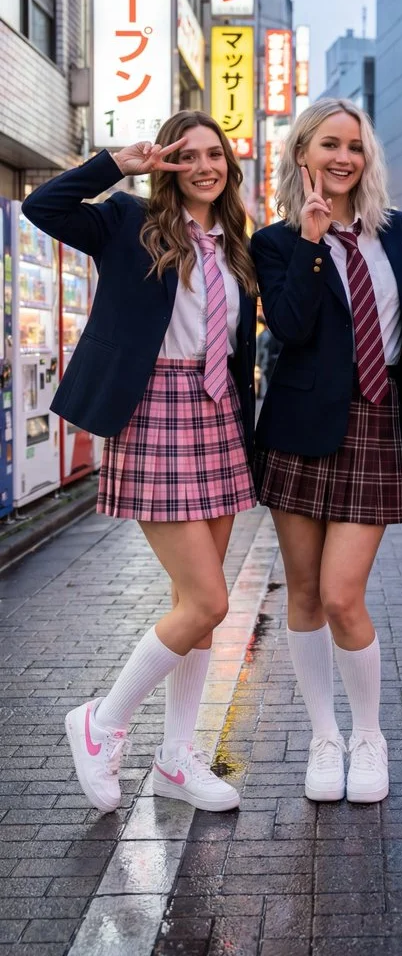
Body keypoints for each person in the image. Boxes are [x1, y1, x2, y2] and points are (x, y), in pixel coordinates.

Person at [22, 111, 258, 814]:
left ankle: (176, 759)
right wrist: (116, 164)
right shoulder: (127, 223)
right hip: (153, 411)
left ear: (229, 165)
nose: (205, 167)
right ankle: (101, 724)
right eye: (188, 156)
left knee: (200, 609)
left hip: (218, 416)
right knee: (208, 599)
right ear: (168, 164)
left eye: (215, 154)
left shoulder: (234, 244)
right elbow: (44, 206)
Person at [250, 99, 402, 804]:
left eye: (354, 145)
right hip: (298, 429)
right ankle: (324, 736)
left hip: (374, 422)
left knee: (346, 595)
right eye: (329, 144)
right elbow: (287, 326)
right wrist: (316, 244)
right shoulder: (277, 243)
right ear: (302, 154)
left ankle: (368, 736)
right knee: (308, 591)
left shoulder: (401, 234)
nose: (343, 157)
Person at [255, 314, 282, 397]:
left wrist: (258, 362)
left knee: (266, 380)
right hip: (267, 361)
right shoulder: (269, 334)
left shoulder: (264, 335)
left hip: (267, 361)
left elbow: (261, 350)